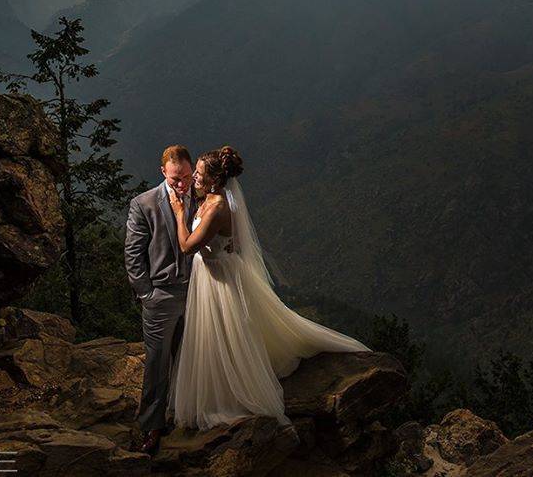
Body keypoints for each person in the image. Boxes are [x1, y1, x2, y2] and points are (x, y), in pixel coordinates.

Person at [166, 146, 371, 431]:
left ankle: (230, 391)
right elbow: (233, 241)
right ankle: (220, 381)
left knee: (224, 332)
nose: (195, 179)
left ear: (214, 180)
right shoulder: (214, 198)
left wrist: (178, 213)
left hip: (217, 278)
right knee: (217, 332)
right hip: (214, 271)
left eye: (199, 174)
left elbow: (188, 246)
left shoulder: (218, 207)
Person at [123, 144, 197, 455]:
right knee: (157, 363)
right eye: (176, 179)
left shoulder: (203, 196)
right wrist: (147, 294)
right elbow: (133, 254)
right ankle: (152, 427)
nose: (182, 185)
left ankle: (185, 415)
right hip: (161, 296)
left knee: (191, 358)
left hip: (197, 294)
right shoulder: (144, 203)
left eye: (186, 177)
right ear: (163, 173)